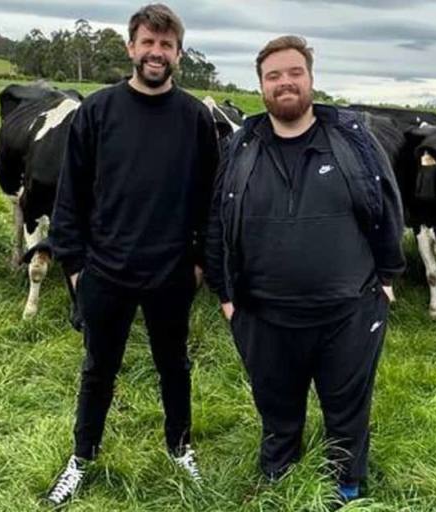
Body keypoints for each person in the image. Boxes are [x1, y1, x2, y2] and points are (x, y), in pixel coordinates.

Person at [205, 35, 405, 505]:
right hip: (262, 314)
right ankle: (280, 481)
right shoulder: (240, 147)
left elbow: (386, 208)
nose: (285, 83)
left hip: (348, 312)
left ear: (311, 79)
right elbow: (216, 221)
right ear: (261, 86)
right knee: (276, 409)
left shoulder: (353, 141)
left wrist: (389, 279)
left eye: (294, 72)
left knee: (347, 410)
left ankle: (346, 487)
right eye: (273, 76)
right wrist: (226, 294)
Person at [45, 4, 219, 506]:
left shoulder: (194, 117)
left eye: (166, 45)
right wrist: (75, 267)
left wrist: (201, 261)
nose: (156, 53)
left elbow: (209, 198)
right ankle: (82, 457)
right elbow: (70, 196)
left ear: (178, 54)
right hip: (105, 269)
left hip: (171, 271)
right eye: (148, 42)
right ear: (131, 48)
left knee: (174, 365)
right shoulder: (97, 111)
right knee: (99, 366)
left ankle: (180, 446)